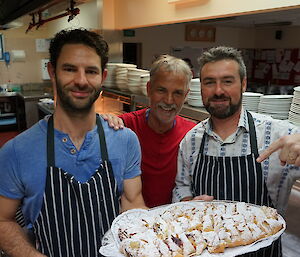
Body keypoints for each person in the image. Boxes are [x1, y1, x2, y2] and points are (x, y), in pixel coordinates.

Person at [0, 28, 145, 257]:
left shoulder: (125, 140)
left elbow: (133, 205)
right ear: (52, 71)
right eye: (69, 69)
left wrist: (178, 225)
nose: (81, 80)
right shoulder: (16, 151)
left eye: (91, 71)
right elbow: (2, 220)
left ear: (102, 77)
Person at [173, 46, 300, 257]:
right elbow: (181, 187)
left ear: (243, 84)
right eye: (209, 82)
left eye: (227, 81)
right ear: (201, 88)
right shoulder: (191, 141)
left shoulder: (278, 134)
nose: (218, 91)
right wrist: (187, 206)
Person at [103, 54, 196, 208]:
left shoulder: (192, 134)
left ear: (185, 96)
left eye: (177, 93)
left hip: (172, 225)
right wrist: (104, 121)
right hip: (129, 221)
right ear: (149, 89)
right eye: (161, 90)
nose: (168, 100)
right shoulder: (123, 126)